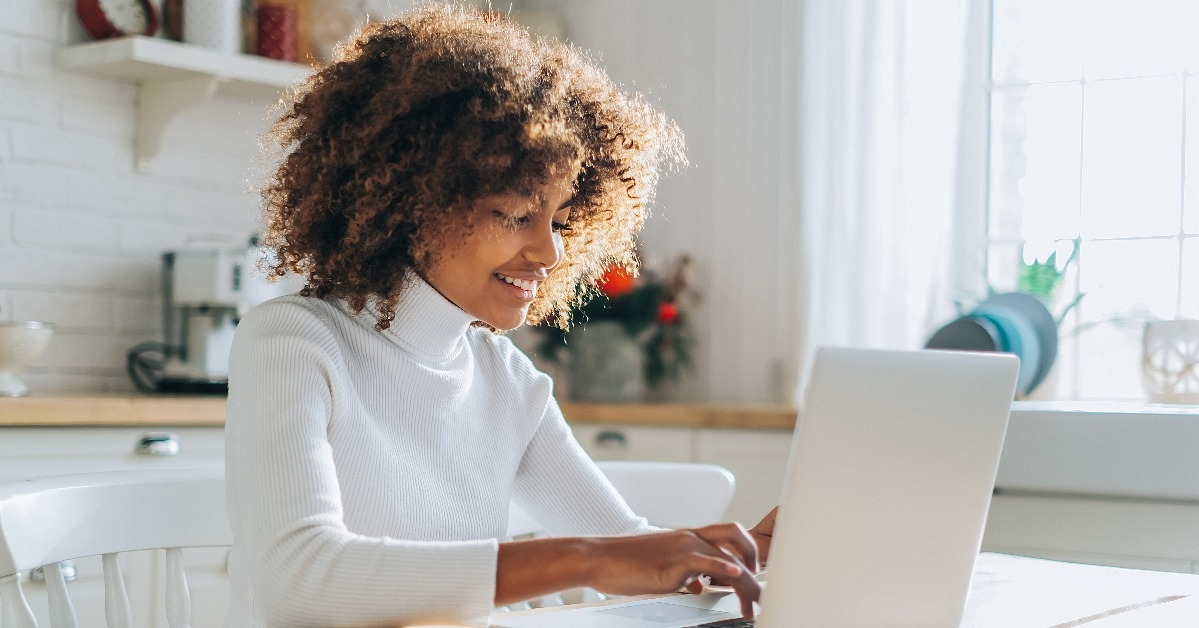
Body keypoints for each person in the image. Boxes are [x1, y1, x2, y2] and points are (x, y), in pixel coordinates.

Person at [225, 4, 776, 627]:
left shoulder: (504, 378)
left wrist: (747, 555)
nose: (551, 252)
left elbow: (626, 551)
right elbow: (300, 582)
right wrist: (584, 560)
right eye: (517, 215)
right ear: (415, 203)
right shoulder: (293, 341)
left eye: (560, 221)